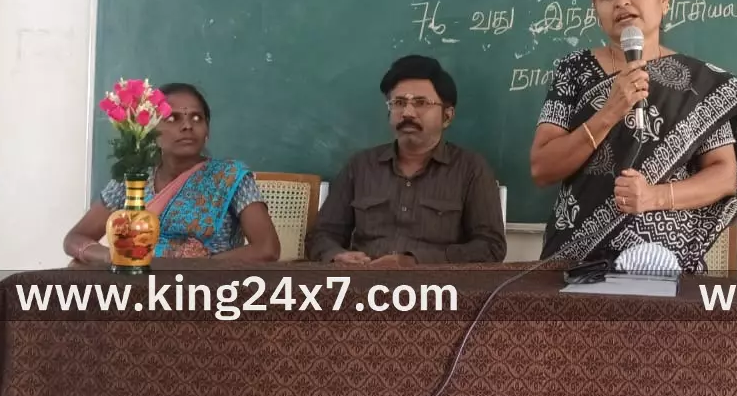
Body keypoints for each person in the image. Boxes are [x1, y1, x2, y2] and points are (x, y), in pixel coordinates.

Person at [529, 0, 737, 273]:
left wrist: (653, 197)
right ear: (596, 10)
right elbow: (542, 167)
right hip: (577, 263)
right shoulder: (573, 71)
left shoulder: (696, 81)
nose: (622, 2)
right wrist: (610, 111)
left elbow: (724, 175)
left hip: (667, 266)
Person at [306, 55, 507, 264]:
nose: (407, 113)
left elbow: (491, 248)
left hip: (435, 283)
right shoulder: (360, 166)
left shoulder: (471, 169)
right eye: (399, 103)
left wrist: (414, 262)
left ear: (447, 116)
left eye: (421, 103)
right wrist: (337, 255)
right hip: (364, 280)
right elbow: (321, 236)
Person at [64, 83, 281, 264]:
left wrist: (192, 268)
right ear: (151, 130)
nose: (187, 126)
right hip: (139, 286)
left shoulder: (231, 177)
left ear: (207, 130)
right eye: (172, 118)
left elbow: (267, 248)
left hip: (206, 288)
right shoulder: (134, 177)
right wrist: (109, 257)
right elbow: (75, 238)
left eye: (197, 118)